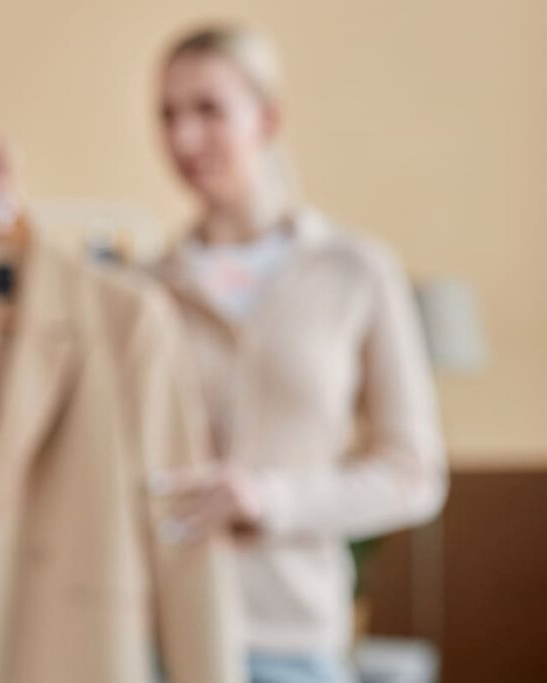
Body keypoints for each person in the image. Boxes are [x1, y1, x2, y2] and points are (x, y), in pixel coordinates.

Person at [148, 25, 447, 682]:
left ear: (268, 117)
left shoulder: (357, 273)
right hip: (164, 638)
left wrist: (271, 499)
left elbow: (414, 471)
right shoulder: (145, 292)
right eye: (168, 115)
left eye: (207, 110)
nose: (182, 138)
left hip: (294, 639)